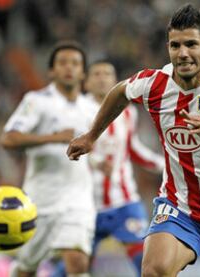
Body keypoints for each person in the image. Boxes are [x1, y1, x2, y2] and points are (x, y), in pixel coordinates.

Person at [67, 4, 200, 277]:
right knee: (154, 271)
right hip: (179, 207)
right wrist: (92, 136)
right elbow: (121, 92)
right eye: (175, 45)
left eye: (191, 44)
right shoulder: (155, 84)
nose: (183, 53)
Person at [53, 61, 164, 277]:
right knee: (74, 268)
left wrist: (164, 163)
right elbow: (61, 149)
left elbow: (133, 148)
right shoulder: (74, 110)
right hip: (86, 205)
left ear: (115, 81)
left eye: (107, 74)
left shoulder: (128, 112)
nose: (102, 78)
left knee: (145, 259)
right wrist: (94, 162)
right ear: (86, 81)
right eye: (97, 74)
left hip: (124, 202)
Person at [1, 41, 96, 277]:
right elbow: (8, 139)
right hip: (41, 201)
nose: (69, 68)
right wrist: (52, 138)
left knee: (78, 262)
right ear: (51, 71)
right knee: (27, 269)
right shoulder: (37, 101)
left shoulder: (91, 108)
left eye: (75, 64)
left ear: (83, 72)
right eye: (62, 63)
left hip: (78, 200)